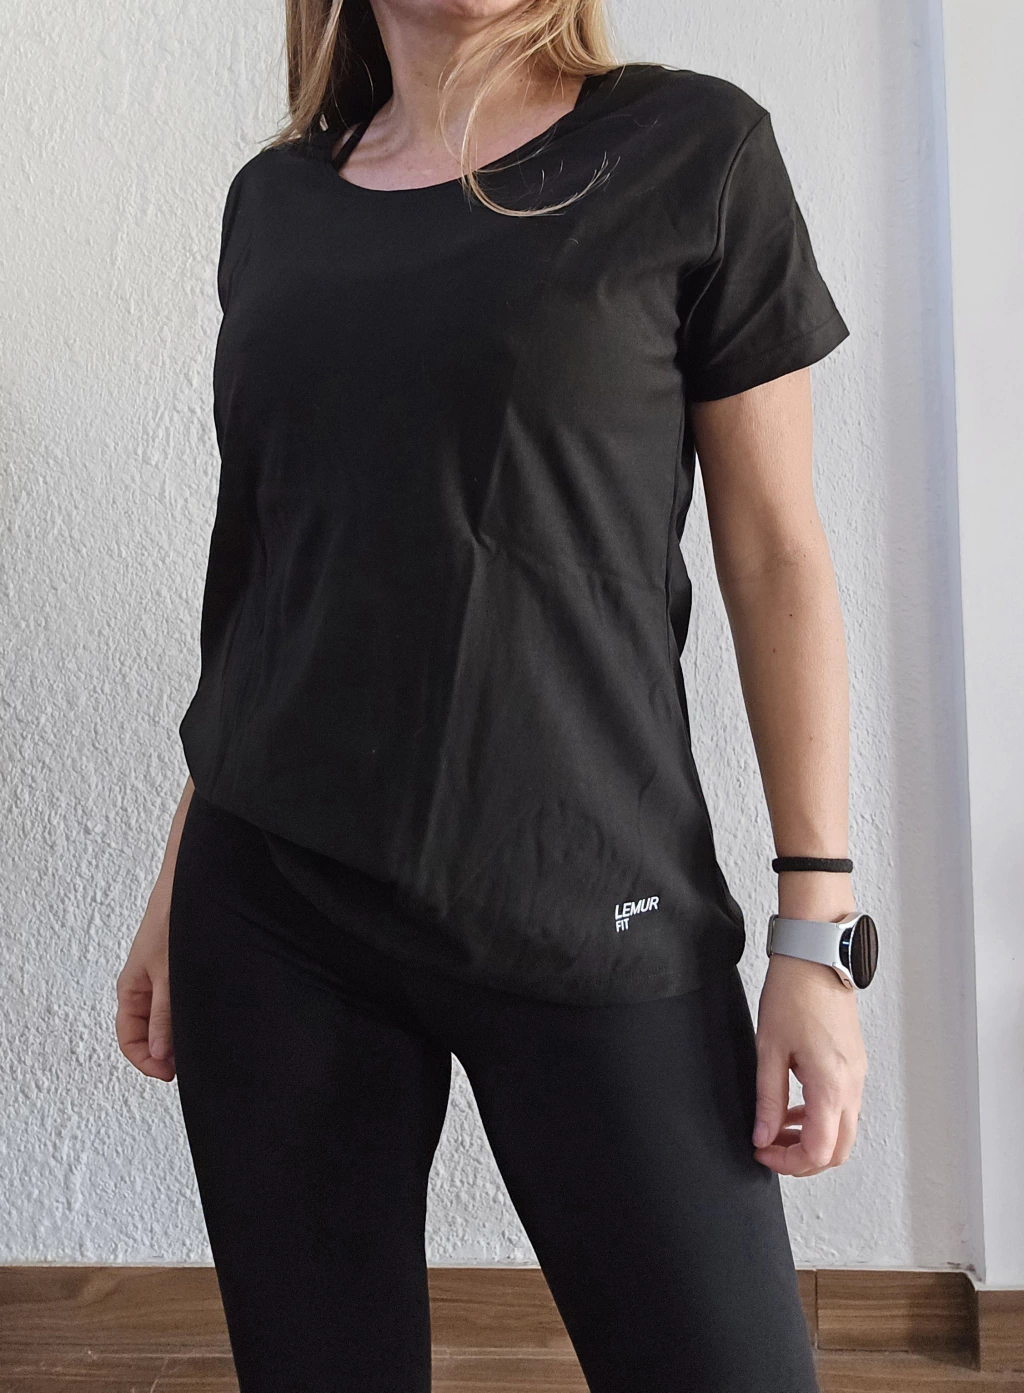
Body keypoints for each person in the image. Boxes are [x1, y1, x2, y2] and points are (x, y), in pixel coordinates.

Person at [115, 2, 871, 1389]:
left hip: (588, 897)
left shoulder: (691, 151)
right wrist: (181, 869)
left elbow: (777, 554)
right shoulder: (275, 204)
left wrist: (812, 935)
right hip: (274, 909)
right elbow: (276, 579)